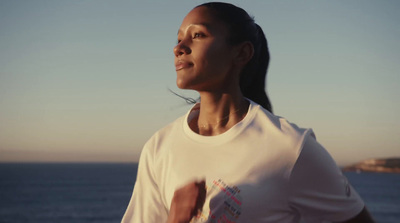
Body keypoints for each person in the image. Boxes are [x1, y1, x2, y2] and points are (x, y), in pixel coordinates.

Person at [122, 2, 374, 223]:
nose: (179, 47)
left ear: (241, 53)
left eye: (197, 35)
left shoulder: (291, 148)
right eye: (178, 38)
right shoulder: (159, 147)